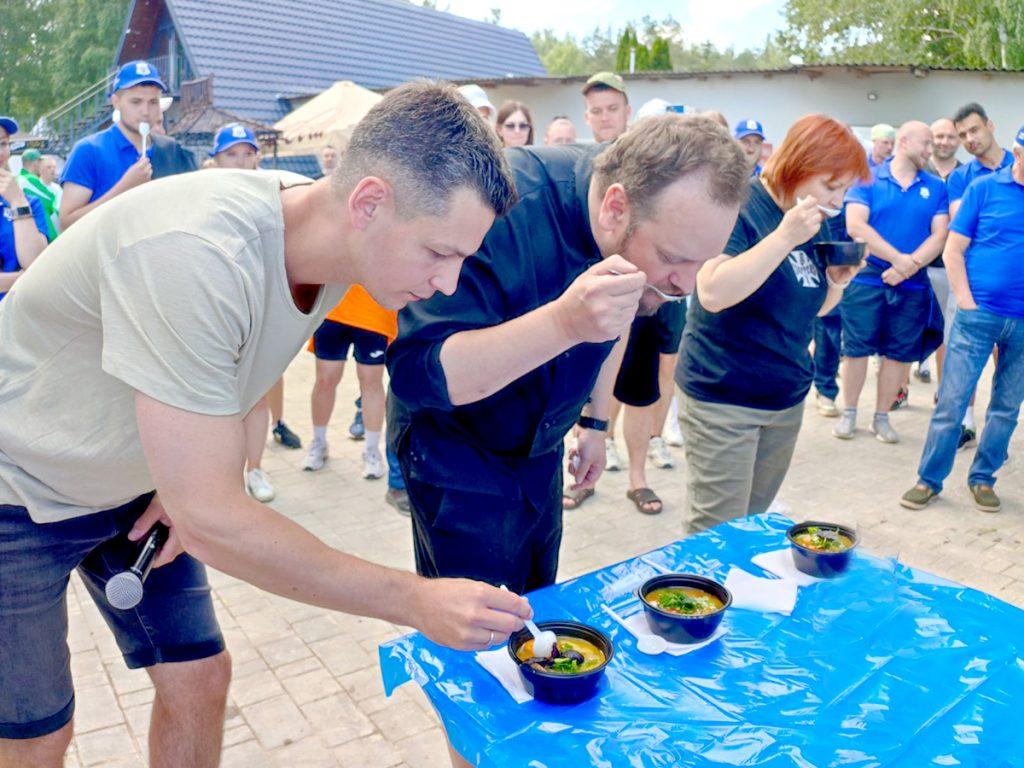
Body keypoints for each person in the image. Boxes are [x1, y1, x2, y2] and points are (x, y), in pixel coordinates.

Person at [0, 82, 534, 768]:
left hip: (129, 482)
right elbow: (214, 521)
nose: (450, 282)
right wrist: (416, 600)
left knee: (199, 678)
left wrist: (181, 479)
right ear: (369, 203)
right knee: (37, 735)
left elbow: (228, 386)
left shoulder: (332, 245)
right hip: (18, 483)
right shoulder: (199, 253)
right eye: (438, 252)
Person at [676, 114, 868, 533]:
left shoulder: (814, 217)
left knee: (751, 523)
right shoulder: (740, 203)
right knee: (715, 533)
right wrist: (784, 237)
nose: (837, 200)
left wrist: (838, 281)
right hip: (724, 397)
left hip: (783, 398)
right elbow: (712, 291)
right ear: (799, 164)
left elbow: (813, 308)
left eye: (845, 190)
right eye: (831, 186)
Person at [900, 126, 1024, 514]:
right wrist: (967, 303)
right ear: (1018, 152)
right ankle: (929, 480)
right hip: (978, 315)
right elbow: (953, 250)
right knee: (952, 402)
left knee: (1006, 408)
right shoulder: (984, 189)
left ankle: (983, 478)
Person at [835, 121, 949, 443]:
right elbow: (856, 226)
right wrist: (898, 259)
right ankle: (849, 413)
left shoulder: (936, 187)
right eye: (926, 143)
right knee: (856, 349)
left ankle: (881, 417)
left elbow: (940, 235)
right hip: (868, 278)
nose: (931, 150)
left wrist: (908, 267)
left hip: (912, 284)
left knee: (899, 353)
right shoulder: (867, 178)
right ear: (904, 142)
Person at [206, 122, 301, 500]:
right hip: (216, 304)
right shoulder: (202, 195)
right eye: (232, 154)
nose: (241, 161)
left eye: (248, 153)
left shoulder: (274, 193)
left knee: (257, 391)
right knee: (217, 396)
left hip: (260, 302)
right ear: (216, 159)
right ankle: (221, 476)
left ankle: (255, 469)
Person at [59, 60, 196, 230]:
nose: (145, 111)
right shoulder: (89, 150)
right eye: (136, 102)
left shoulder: (171, 150)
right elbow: (67, 225)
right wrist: (123, 188)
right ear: (116, 102)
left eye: (153, 102)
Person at [303, 284, 397, 480]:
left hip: (374, 311)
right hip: (333, 308)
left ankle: (372, 450)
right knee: (325, 379)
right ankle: (318, 442)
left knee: (371, 381)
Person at [918, 118, 964, 419]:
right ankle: (898, 389)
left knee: (947, 334)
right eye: (939, 136)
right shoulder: (918, 171)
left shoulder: (966, 175)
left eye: (950, 136)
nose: (945, 141)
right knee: (911, 328)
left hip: (951, 268)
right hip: (918, 266)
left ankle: (943, 392)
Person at [0, 117, 49, 301]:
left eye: (3, 143)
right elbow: (34, 277)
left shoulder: (29, 202)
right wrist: (23, 278)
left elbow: (37, 265)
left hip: (21, 310)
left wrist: (17, 202)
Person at [16, 148, 59, 239]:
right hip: (43, 229)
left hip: (25, 230)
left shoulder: (17, 179)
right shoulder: (29, 180)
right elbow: (52, 201)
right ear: (36, 163)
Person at [582, 71, 631, 143]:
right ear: (587, 118)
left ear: (627, 113)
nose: (605, 118)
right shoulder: (575, 150)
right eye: (596, 112)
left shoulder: (645, 149)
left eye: (613, 109)